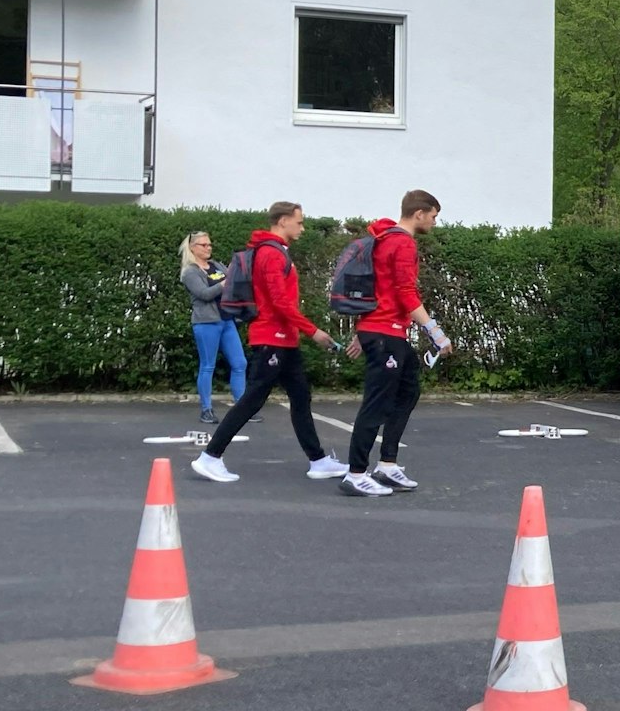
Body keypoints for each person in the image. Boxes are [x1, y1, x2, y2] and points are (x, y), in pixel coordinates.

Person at [189, 202, 349, 485]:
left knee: (300, 397)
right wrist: (313, 331)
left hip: (283, 340)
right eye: (299, 222)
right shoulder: (271, 255)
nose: (302, 227)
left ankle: (319, 460)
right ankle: (210, 457)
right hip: (271, 339)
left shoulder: (276, 252)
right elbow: (278, 302)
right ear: (283, 221)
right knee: (252, 400)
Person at [340, 189, 453, 498]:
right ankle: (356, 473)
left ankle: (387, 465)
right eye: (433, 215)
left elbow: (374, 288)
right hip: (385, 333)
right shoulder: (402, 243)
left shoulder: (383, 239)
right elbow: (405, 292)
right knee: (376, 404)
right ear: (419, 213)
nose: (434, 221)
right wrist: (434, 330)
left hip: (385, 331)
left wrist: (362, 330)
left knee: (408, 391)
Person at [179, 230, 247, 423]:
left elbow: (234, 282)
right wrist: (224, 284)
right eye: (204, 245)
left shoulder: (216, 265)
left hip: (226, 320)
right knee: (208, 366)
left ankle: (242, 408)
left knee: (240, 363)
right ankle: (206, 409)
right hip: (206, 322)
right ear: (193, 248)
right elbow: (204, 294)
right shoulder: (190, 272)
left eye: (209, 244)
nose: (208, 248)